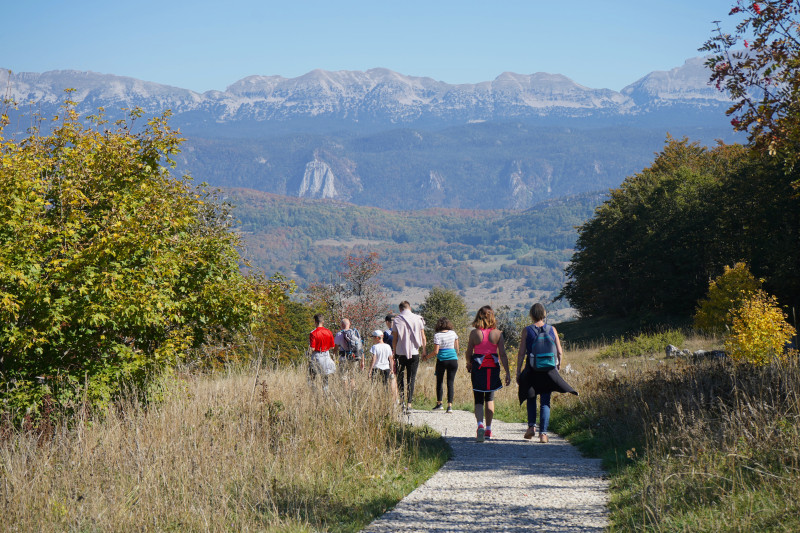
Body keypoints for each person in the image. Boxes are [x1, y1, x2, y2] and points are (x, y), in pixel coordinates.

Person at [516, 303, 577, 443]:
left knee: (531, 397)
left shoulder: (527, 330)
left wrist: (518, 371)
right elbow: (560, 351)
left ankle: (531, 427)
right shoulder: (552, 329)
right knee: (545, 401)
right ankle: (543, 434)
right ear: (544, 314)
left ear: (531, 315)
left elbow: (521, 353)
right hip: (548, 370)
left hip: (531, 369)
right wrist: (558, 365)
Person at [466, 305, 511, 442]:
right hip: (492, 367)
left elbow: (468, 352)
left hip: (478, 368)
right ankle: (489, 429)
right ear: (492, 317)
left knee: (478, 398)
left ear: (479, 316)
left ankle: (480, 425)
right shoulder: (498, 333)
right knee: (490, 398)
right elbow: (502, 354)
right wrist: (507, 372)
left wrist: (469, 363)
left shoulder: (474, 333)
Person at [392, 301, 426, 411]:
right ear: (409, 308)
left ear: (400, 309)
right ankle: (409, 404)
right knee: (411, 378)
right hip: (415, 351)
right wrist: (424, 350)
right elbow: (423, 337)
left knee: (400, 377)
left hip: (400, 352)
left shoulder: (397, 320)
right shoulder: (418, 319)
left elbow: (395, 338)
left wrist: (393, 352)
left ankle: (402, 403)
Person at [429, 317, 459, 413]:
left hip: (442, 360)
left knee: (440, 382)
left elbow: (435, 351)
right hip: (453, 360)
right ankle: (450, 406)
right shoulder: (453, 333)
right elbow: (457, 348)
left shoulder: (437, 335)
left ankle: (439, 403)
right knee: (450, 383)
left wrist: (426, 357)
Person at [308, 314, 336, 388]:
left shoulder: (313, 333)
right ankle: (325, 395)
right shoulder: (329, 332)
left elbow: (312, 348)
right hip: (326, 355)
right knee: (325, 379)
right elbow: (332, 346)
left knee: (311, 377)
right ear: (323, 321)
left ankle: (313, 393)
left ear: (315, 322)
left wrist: (308, 353)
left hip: (316, 356)